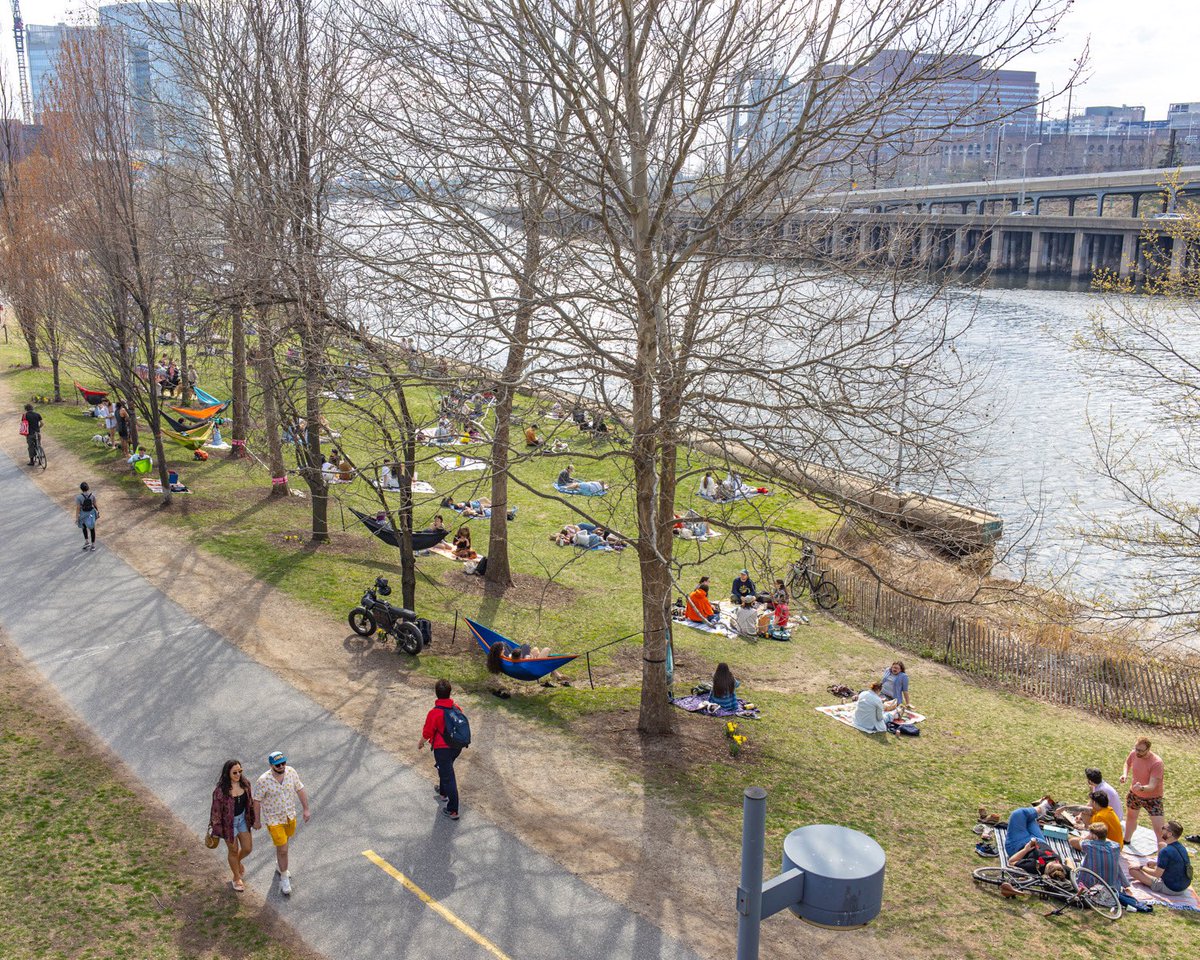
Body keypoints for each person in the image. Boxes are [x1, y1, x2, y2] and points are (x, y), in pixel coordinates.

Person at [253, 751, 311, 897]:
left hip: (289, 816)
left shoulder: (291, 772)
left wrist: (305, 809)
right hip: (274, 820)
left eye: (283, 763)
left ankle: (280, 866)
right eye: (278, 765)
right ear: (271, 765)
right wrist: (257, 820)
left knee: (284, 844)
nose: (281, 766)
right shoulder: (263, 780)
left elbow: (300, 789)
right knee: (283, 848)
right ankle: (284, 878)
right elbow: (257, 801)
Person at [209, 759, 256, 892]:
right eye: (234, 772)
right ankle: (236, 878)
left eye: (240, 771)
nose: (238, 774)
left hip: (242, 820)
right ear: (227, 773)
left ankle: (237, 862)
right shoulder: (220, 791)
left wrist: (254, 819)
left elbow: (250, 804)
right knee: (233, 850)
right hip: (228, 825)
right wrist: (217, 830)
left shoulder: (245, 784)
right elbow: (215, 812)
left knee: (247, 848)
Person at [420, 679, 463, 821]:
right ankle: (443, 792)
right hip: (456, 747)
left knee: (449, 776)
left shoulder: (435, 713)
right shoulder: (456, 708)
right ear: (450, 692)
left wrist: (421, 743)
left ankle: (453, 810)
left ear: (436, 694)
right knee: (445, 769)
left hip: (442, 748)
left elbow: (427, 732)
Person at [1121, 737, 1166, 845]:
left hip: (1153, 799)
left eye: (1140, 750)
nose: (1137, 752)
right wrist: (1125, 774)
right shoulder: (1134, 754)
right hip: (1134, 795)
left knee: (1159, 829)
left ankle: (1163, 854)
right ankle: (1126, 840)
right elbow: (1127, 763)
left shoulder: (1157, 763)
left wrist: (1141, 788)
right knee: (1131, 818)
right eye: (1136, 748)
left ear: (1148, 749)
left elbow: (1152, 786)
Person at [1069, 822, 1131, 899]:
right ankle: (1125, 884)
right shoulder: (1116, 846)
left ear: (1094, 835)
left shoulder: (1088, 845)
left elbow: (1072, 841)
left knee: (1069, 862)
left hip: (1091, 886)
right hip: (1112, 887)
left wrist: (1089, 837)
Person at [1128, 821, 1192, 894]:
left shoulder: (1165, 852)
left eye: (1163, 828)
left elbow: (1157, 874)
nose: (1161, 830)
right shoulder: (1181, 847)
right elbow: (1175, 861)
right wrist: (1156, 863)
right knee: (1161, 844)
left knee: (1132, 869)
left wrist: (1141, 867)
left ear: (1169, 834)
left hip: (1171, 888)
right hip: (1183, 886)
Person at [75, 482, 98, 551]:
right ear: (88, 488)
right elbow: (95, 504)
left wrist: (77, 517)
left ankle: (87, 541)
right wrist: (97, 512)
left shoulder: (78, 497)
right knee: (92, 529)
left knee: (84, 527)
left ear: (81, 489)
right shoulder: (92, 495)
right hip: (91, 514)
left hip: (83, 514)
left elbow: (78, 508)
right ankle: (93, 545)